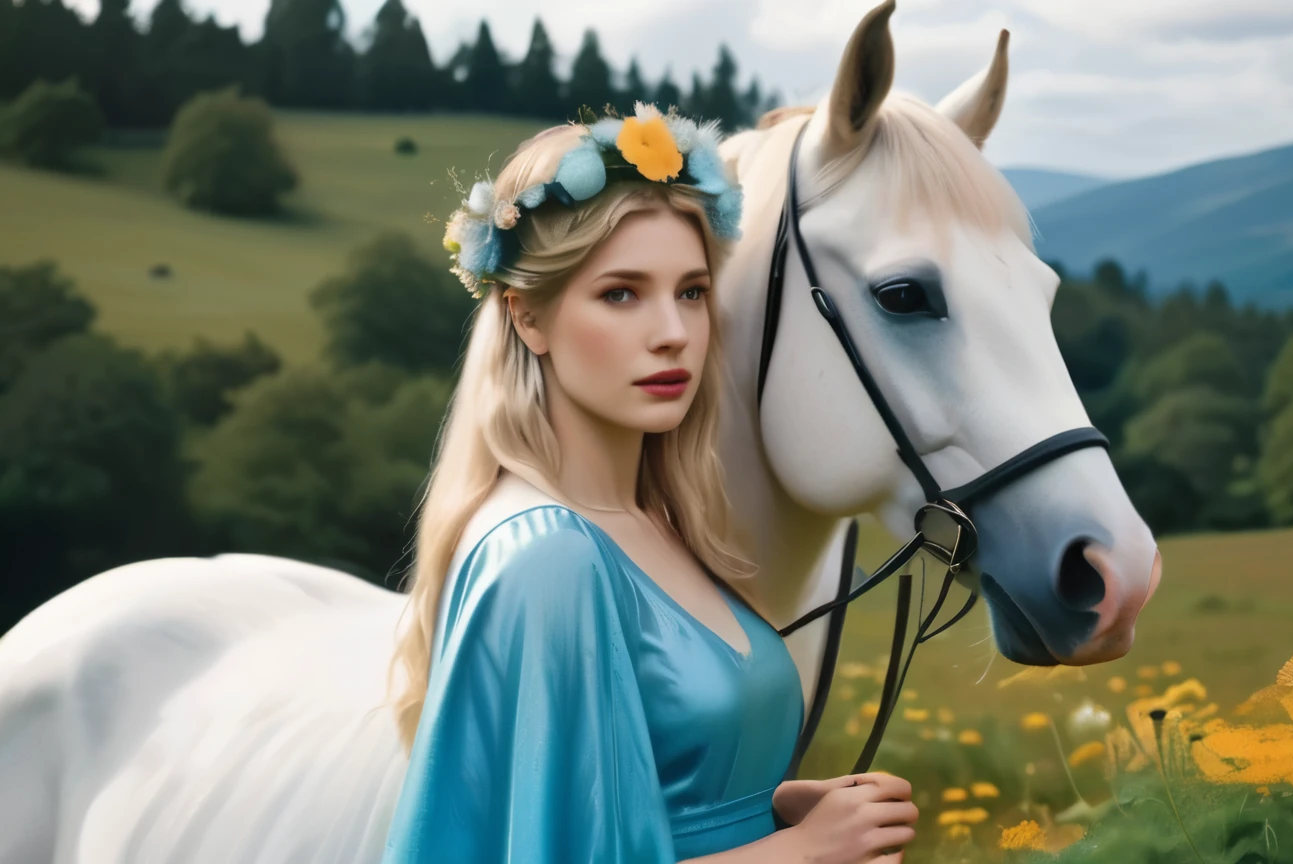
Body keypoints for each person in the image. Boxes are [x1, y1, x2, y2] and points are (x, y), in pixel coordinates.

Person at [380, 104, 920, 863]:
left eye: (692, 291)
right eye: (622, 294)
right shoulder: (547, 555)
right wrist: (803, 854)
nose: (672, 331)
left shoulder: (664, 523)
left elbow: (644, 797)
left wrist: (777, 809)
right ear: (527, 317)